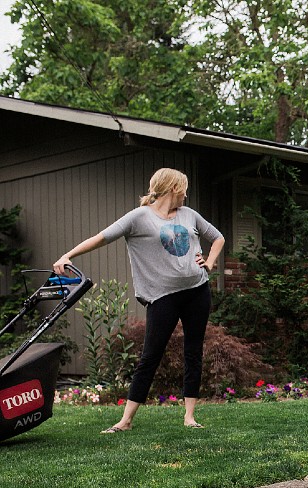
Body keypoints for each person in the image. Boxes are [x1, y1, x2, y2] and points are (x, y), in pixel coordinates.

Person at [53, 168, 224, 434]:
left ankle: (189, 416)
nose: (186, 194)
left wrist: (209, 263)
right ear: (172, 189)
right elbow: (101, 237)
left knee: (193, 352)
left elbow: (217, 237)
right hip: (162, 296)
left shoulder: (189, 215)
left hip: (197, 291)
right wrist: (67, 255)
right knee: (150, 356)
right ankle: (126, 420)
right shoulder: (139, 217)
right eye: (184, 189)